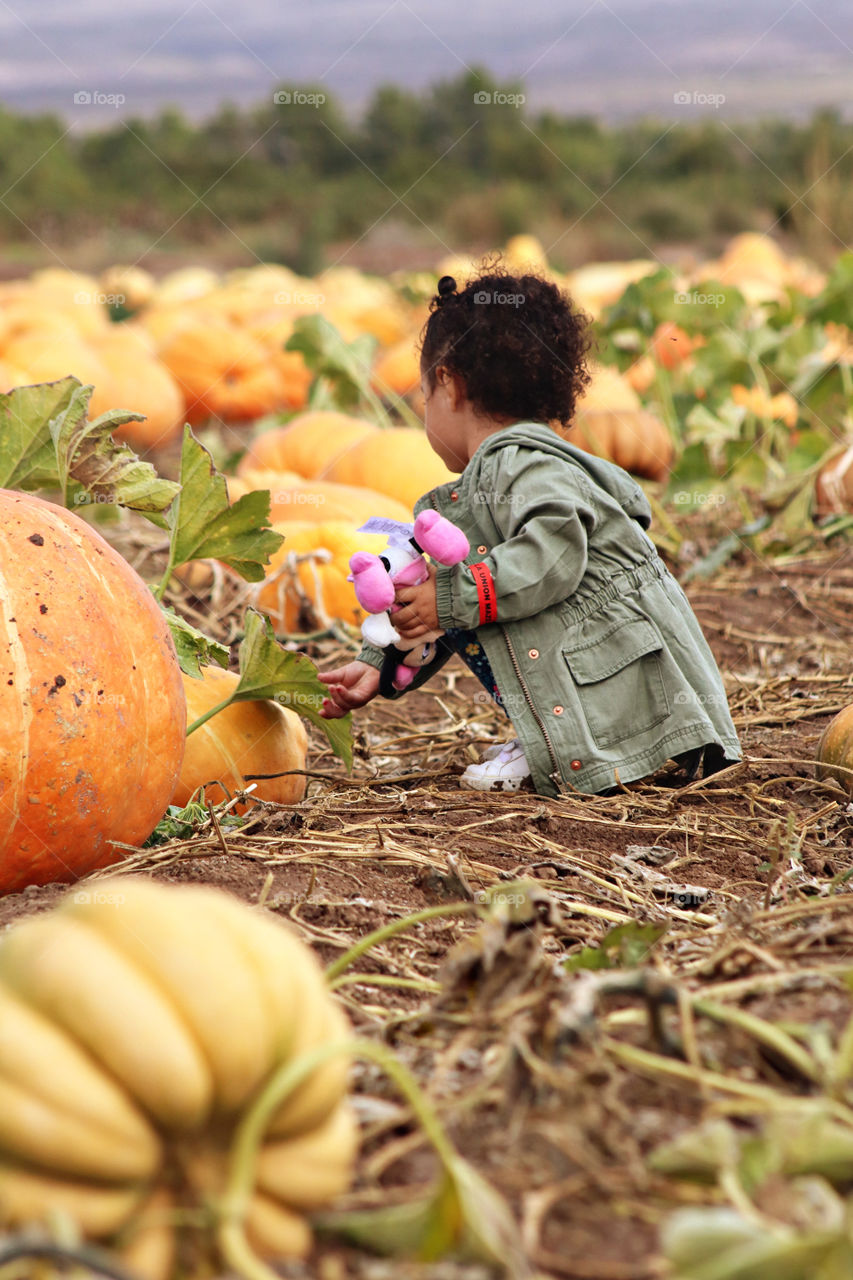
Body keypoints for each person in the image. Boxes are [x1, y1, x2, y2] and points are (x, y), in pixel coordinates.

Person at [319, 267, 741, 795]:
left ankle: (583, 745)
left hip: (616, 676)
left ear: (449, 384)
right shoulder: (515, 468)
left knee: (487, 595)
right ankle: (562, 739)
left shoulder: (520, 464)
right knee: (488, 598)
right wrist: (380, 663)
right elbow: (475, 593)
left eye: (423, 396)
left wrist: (449, 595)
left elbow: (553, 554)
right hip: (617, 675)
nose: (424, 412)